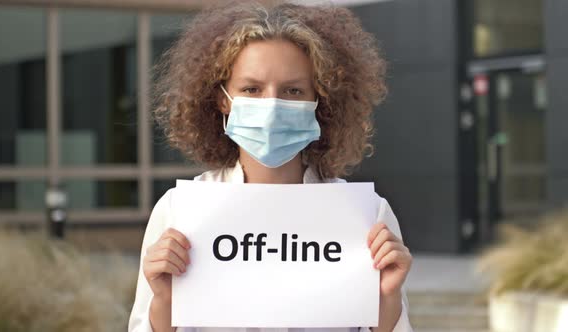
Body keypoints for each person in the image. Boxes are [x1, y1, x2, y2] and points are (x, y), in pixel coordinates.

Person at [128, 1, 413, 332]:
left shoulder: (366, 217)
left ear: (318, 101)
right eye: (251, 89)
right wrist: (164, 301)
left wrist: (387, 298)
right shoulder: (178, 213)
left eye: (293, 90)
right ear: (223, 99)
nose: (273, 105)